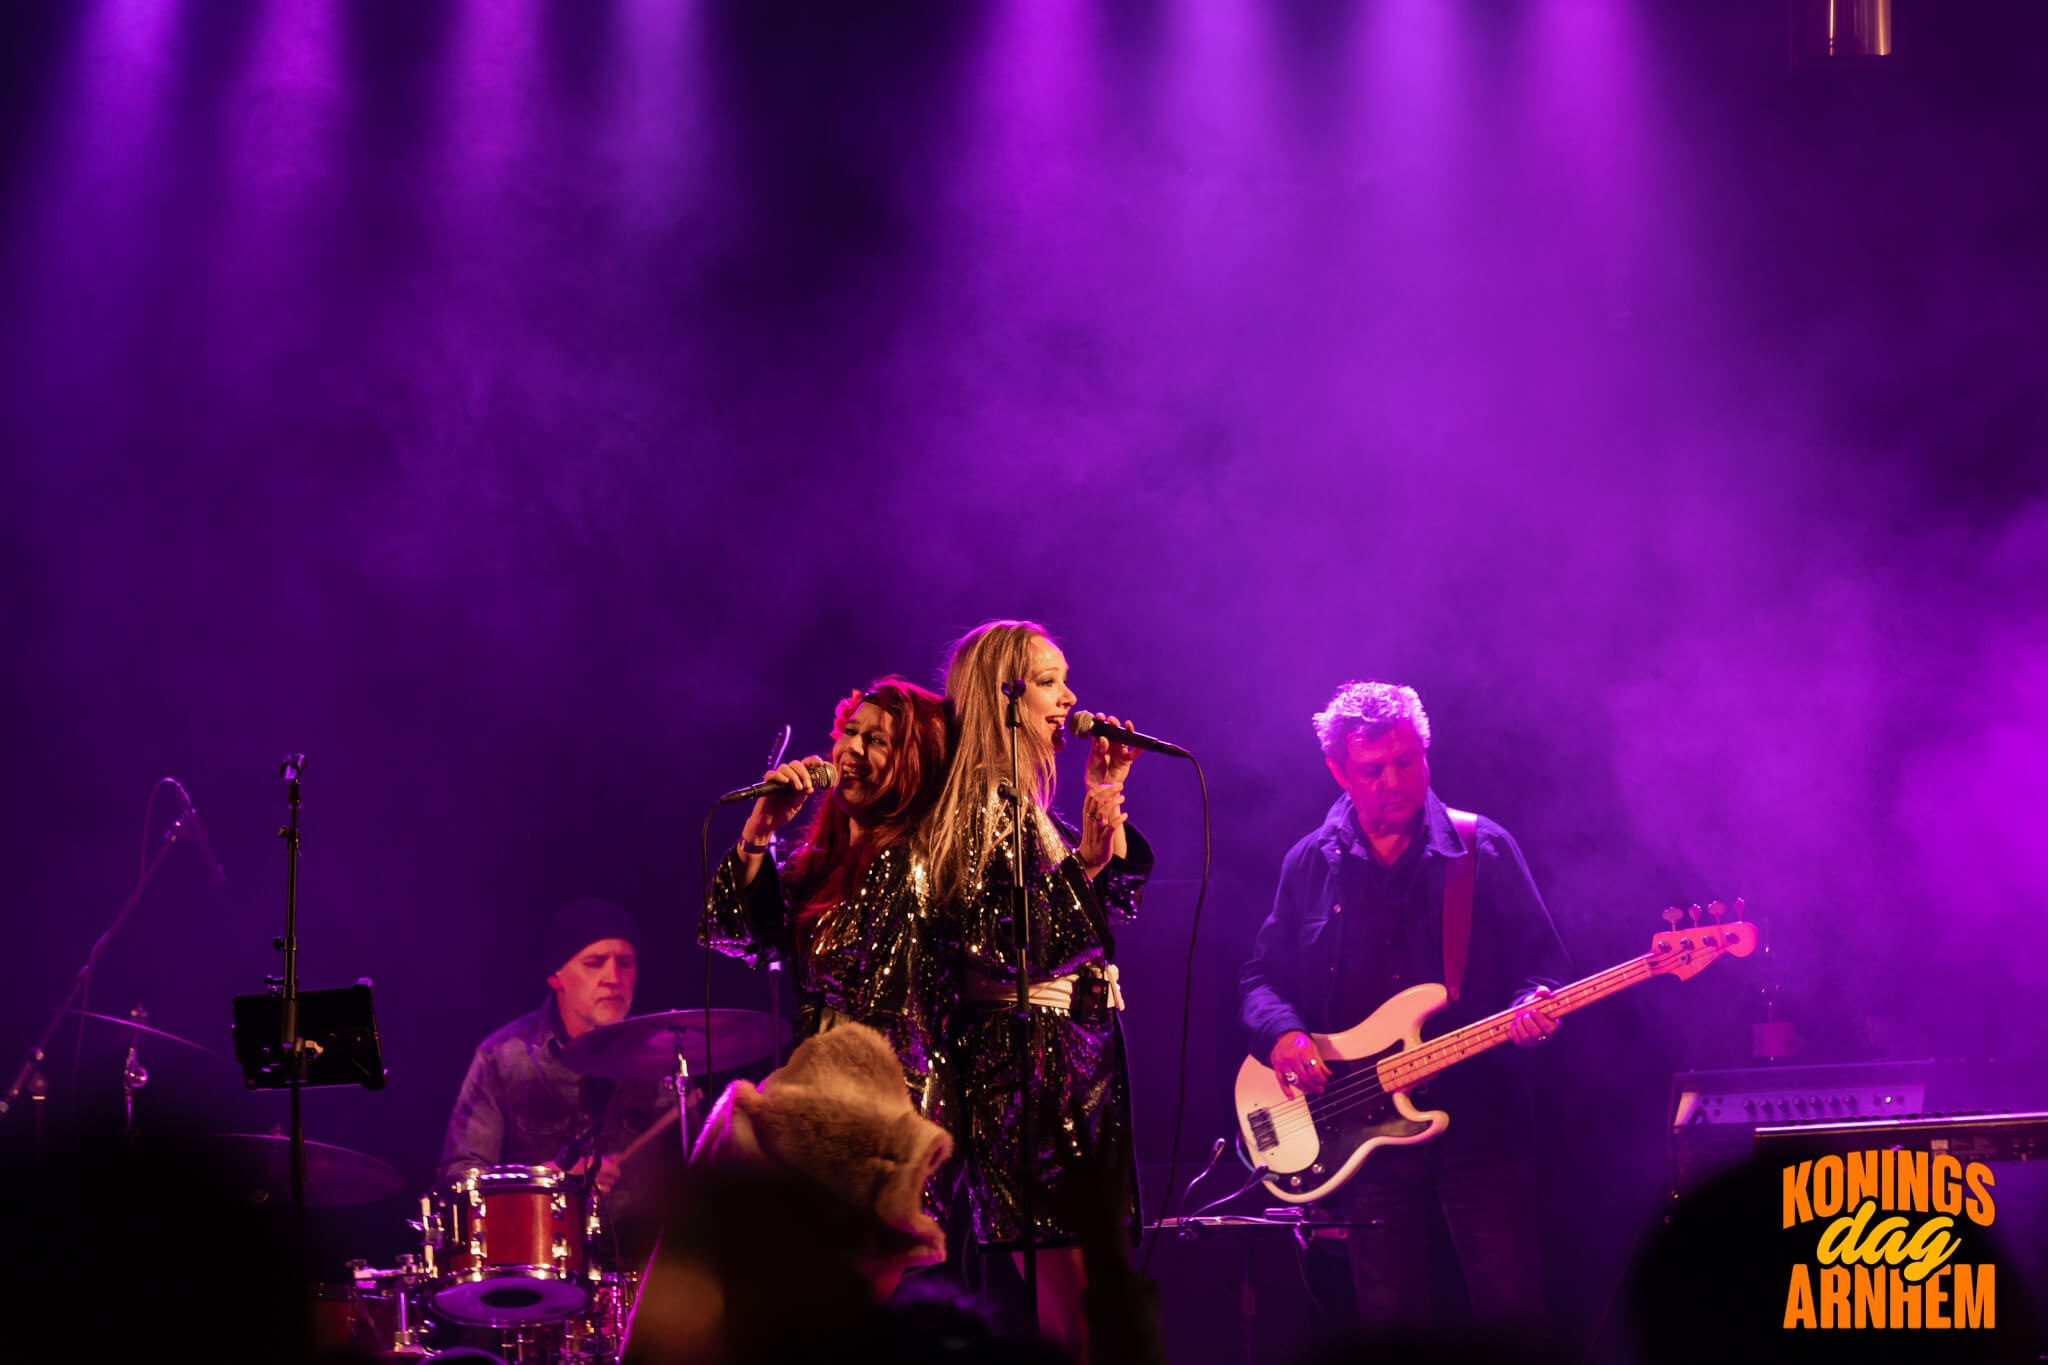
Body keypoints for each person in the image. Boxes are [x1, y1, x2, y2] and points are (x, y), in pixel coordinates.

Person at [1238, 681, 1569, 1343]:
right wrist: (1284, 1034)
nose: (1395, 780)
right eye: (1372, 769)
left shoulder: (1483, 848)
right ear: (1339, 771)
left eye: (1408, 760)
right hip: (1366, 1141)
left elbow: (1544, 966)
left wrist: (1533, 1004)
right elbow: (1258, 980)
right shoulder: (1310, 863)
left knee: (1512, 1317)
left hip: (1482, 1126)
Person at [927, 618, 1153, 1359]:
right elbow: (1005, 944)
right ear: (1005, 696)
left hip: (1067, 1069)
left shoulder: (1025, 811)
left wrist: (1105, 797)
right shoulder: (982, 809)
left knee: (1092, 1303)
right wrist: (1083, 867)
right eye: (1051, 681)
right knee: (1077, 1310)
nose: (1070, 697)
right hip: (1026, 1075)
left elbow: (1109, 909)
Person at [700, 677, 954, 1122]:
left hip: (887, 1110)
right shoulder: (817, 867)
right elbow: (739, 938)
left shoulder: (917, 864)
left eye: (876, 740)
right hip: (822, 1097)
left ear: (916, 764)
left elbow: (888, 1017)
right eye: (850, 733)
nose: (851, 748)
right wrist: (759, 833)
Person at [439, 899, 677, 1206]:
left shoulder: (660, 1055)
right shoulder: (503, 1058)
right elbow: (459, 1177)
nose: (613, 978)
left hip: (646, 1250)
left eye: (625, 963)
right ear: (556, 977)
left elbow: (702, 1173)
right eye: (595, 963)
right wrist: (546, 1180)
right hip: (542, 1246)